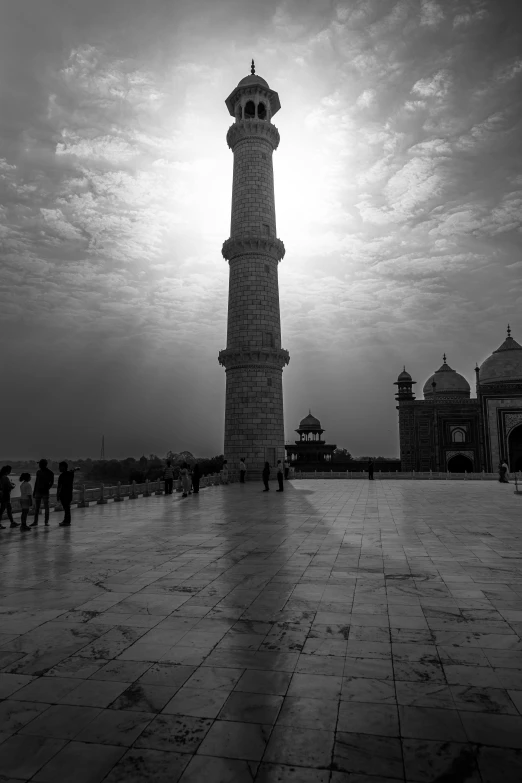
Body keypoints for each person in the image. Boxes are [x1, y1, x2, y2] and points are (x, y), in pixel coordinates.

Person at [30, 459, 54, 526]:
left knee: (46, 507)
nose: (39, 465)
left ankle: (46, 521)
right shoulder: (38, 472)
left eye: (40, 464)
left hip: (45, 492)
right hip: (38, 491)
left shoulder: (50, 473)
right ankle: (35, 521)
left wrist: (47, 488)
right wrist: (34, 492)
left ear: (44, 464)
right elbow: (36, 482)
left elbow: (51, 483)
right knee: (37, 507)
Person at [57, 462, 80, 526]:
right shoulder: (70, 473)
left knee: (66, 508)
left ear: (63, 467)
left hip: (63, 494)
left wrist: (57, 495)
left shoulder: (61, 476)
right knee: (67, 508)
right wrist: (77, 468)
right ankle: (66, 520)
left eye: (60, 467)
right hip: (69, 494)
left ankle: (67, 521)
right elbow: (74, 469)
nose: (59, 468)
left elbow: (59, 487)